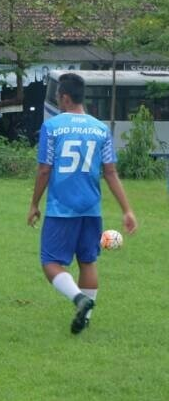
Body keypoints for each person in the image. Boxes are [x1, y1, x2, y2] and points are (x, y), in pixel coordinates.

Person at [27, 72, 137, 334]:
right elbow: (110, 172)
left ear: (64, 97)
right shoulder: (100, 128)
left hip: (61, 208)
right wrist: (127, 210)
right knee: (87, 261)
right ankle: (85, 319)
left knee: (50, 262)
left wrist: (34, 204)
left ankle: (79, 300)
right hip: (91, 208)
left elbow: (45, 169)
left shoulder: (52, 127)